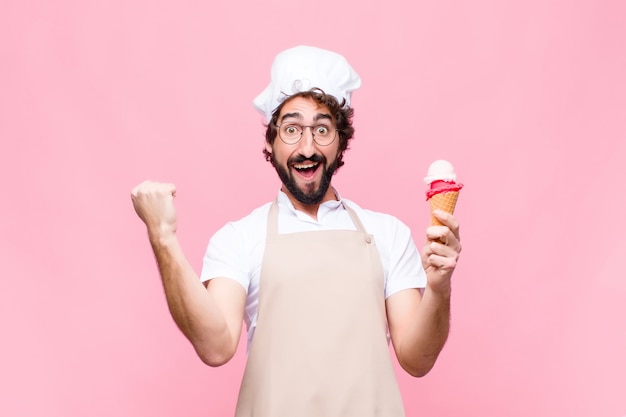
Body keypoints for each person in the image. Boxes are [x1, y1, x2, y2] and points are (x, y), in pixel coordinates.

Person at [131, 45, 462, 417]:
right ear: (271, 143)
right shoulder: (240, 238)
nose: (308, 147)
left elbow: (417, 359)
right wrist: (163, 238)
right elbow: (215, 346)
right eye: (291, 129)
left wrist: (439, 286)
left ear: (341, 142)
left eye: (322, 129)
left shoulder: (388, 233)